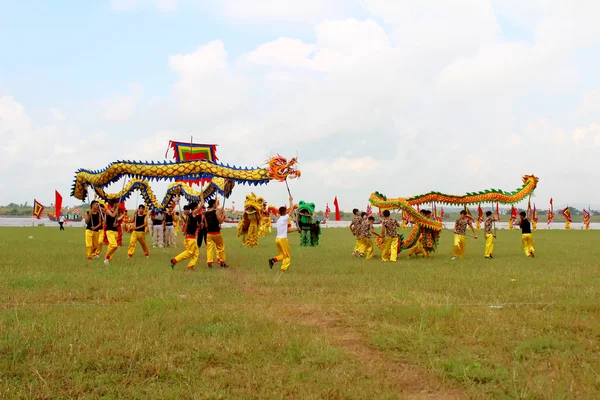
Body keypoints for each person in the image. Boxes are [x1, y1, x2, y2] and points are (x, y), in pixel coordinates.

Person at [268, 196, 299, 272]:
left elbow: (287, 231)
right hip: (283, 240)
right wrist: (290, 200)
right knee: (287, 256)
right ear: (284, 212)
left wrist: (296, 229)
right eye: (286, 211)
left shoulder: (279, 220)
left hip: (277, 240)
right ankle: (283, 270)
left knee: (282, 255)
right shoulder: (285, 218)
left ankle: (273, 260)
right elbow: (291, 209)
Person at [170, 202, 201, 270]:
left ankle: (190, 266)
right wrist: (201, 197)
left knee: (196, 253)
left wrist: (185, 232)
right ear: (195, 208)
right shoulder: (193, 214)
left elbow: (187, 225)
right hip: (191, 238)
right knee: (190, 252)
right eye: (197, 207)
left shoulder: (189, 216)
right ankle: (174, 260)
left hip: (188, 237)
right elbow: (201, 205)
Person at [204, 198, 228, 268]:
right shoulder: (216, 212)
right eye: (215, 203)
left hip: (209, 233)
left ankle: (209, 262)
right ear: (213, 204)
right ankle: (222, 262)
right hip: (216, 233)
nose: (216, 204)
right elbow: (220, 221)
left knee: (209, 248)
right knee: (220, 248)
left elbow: (206, 225)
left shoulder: (206, 213)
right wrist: (223, 215)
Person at [103, 200, 120, 265]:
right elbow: (112, 215)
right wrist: (117, 208)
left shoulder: (116, 212)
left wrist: (117, 224)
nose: (119, 204)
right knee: (114, 245)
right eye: (117, 203)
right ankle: (107, 257)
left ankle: (107, 260)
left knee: (110, 246)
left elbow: (116, 220)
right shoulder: (108, 211)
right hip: (109, 230)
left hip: (115, 231)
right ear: (114, 204)